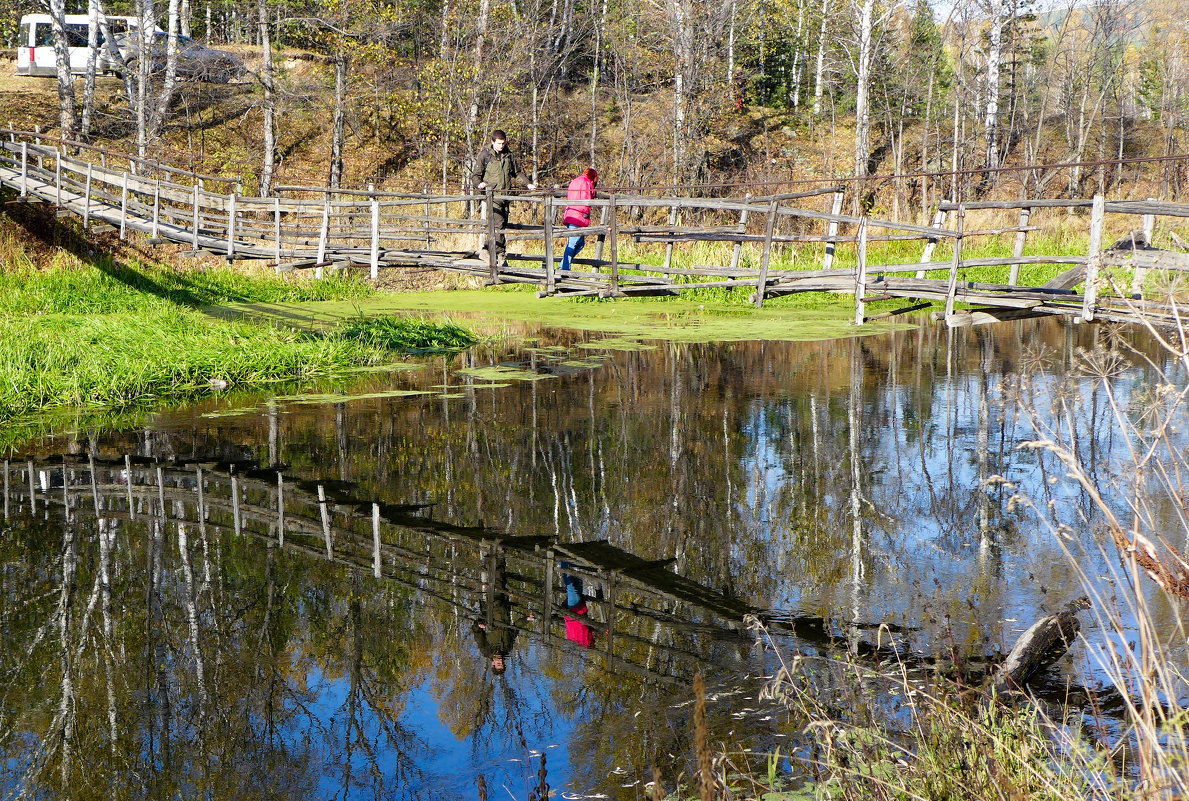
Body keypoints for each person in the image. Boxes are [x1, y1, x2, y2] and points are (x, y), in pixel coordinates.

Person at [471, 129, 536, 268]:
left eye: (503, 143)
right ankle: (500, 255)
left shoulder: (509, 156)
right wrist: (480, 184)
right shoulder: (485, 155)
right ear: (493, 142)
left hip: (505, 197)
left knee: (500, 226)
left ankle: (486, 250)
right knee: (498, 226)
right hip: (492, 198)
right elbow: (475, 175)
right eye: (499, 143)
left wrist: (528, 183)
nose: (501, 146)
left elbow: (516, 173)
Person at [472, 548, 519, 674]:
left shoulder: (486, 650)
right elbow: (515, 630)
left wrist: (480, 625)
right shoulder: (507, 648)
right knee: (501, 583)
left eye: (498, 664)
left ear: (493, 663)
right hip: (504, 608)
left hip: (491, 608)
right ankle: (491, 557)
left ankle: (497, 555)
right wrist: (527, 619)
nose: (501, 661)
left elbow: (476, 631)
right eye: (502, 664)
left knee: (497, 583)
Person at [559, 167, 598, 275]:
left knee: (580, 243)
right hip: (578, 216)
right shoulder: (586, 182)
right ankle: (564, 269)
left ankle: (563, 265)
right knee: (573, 242)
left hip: (570, 213)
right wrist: (586, 213)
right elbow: (587, 198)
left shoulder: (575, 181)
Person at [559, 562, 595, 648]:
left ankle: (563, 563)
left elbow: (588, 626)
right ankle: (567, 564)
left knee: (571, 587)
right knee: (576, 584)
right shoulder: (574, 640)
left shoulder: (583, 641)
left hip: (576, 610)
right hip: (574, 611)